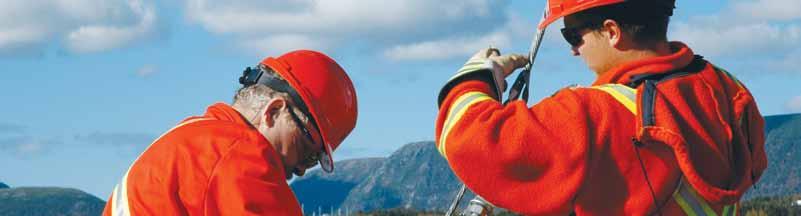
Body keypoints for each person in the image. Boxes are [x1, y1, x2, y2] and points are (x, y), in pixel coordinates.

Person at [435, 0, 766, 215]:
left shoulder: (593, 114)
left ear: (611, 32)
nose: (574, 52)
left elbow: (468, 138)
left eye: (572, 37)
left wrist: (477, 76)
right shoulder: (728, 88)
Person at [102, 50, 358, 215]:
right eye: (306, 150)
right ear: (274, 111)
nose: (302, 169)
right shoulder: (238, 154)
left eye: (315, 161)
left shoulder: (192, 139)